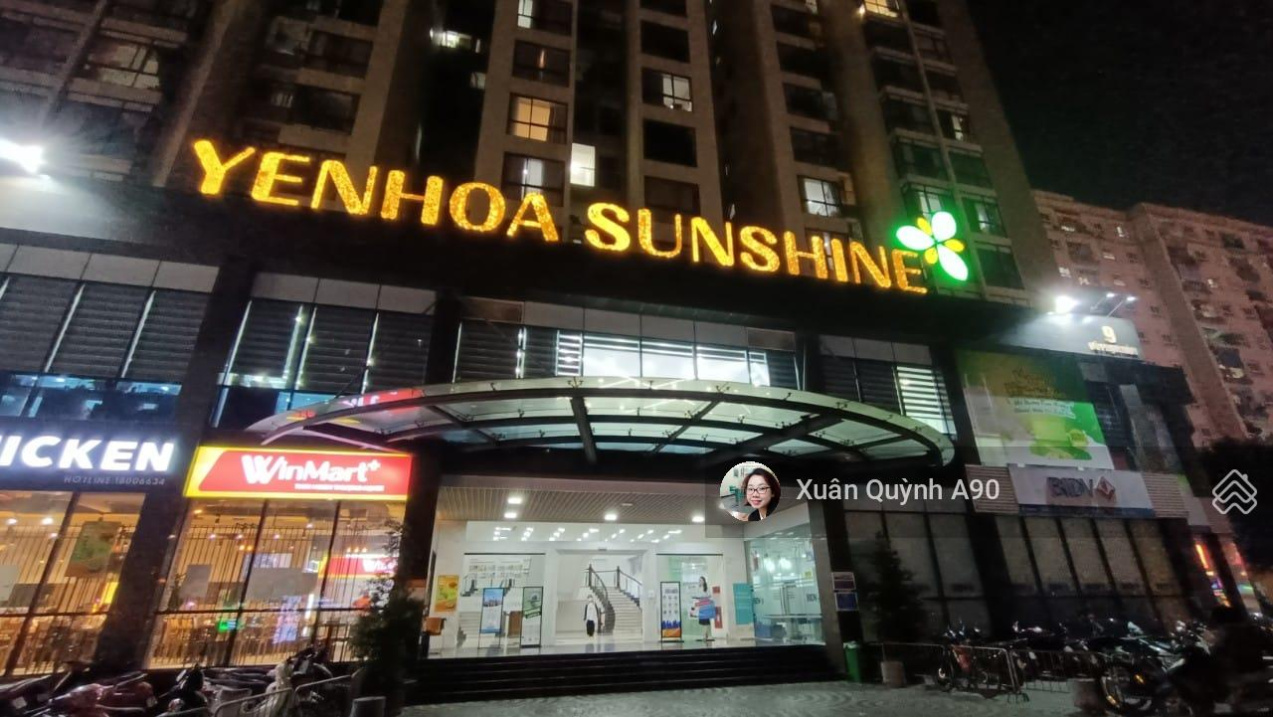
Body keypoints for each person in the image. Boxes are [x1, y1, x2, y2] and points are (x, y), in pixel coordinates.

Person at [692, 576, 715, 643]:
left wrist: (703, 597)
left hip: (706, 606)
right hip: (701, 606)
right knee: (703, 622)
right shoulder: (698, 588)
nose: (700, 581)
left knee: (706, 621)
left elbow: (709, 595)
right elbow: (697, 596)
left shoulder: (707, 588)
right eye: (699, 580)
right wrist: (696, 597)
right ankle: (706, 634)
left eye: (701, 580)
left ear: (704, 581)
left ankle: (704, 635)